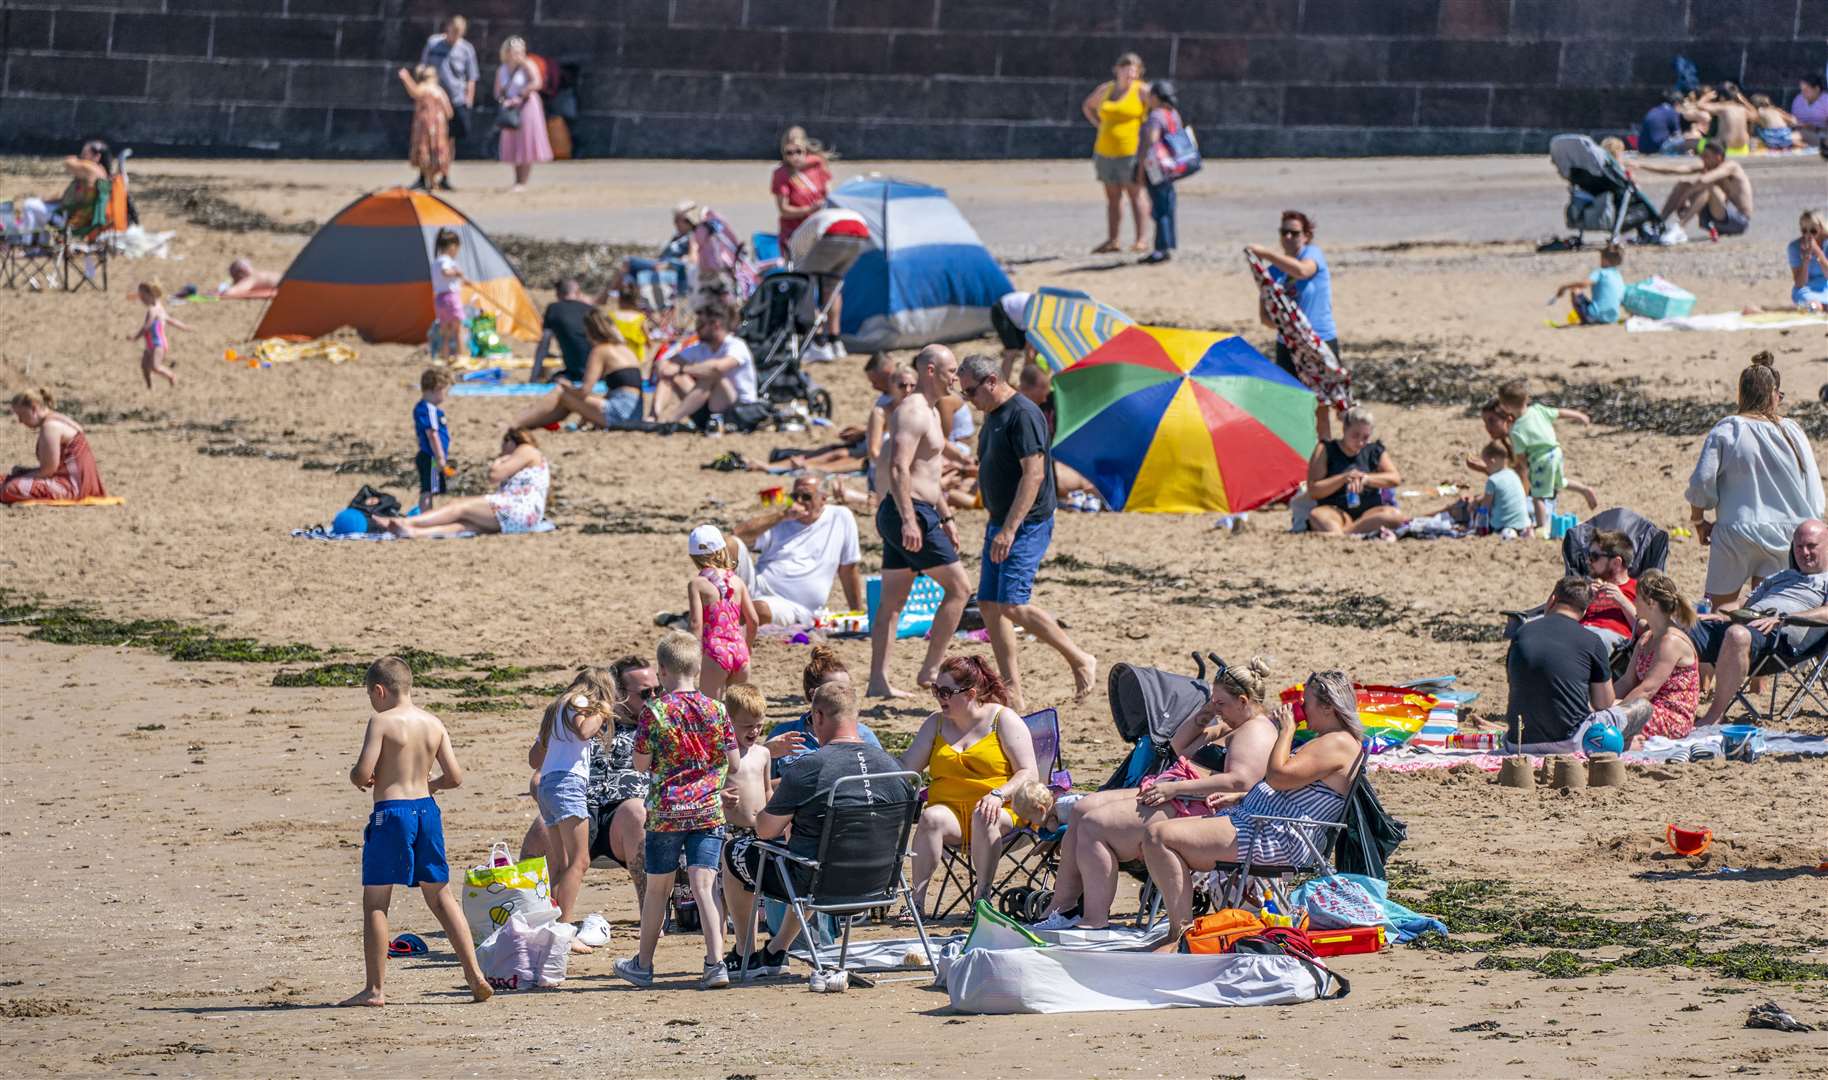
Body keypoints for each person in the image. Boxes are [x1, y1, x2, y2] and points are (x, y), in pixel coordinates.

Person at [1031, 656, 1276, 932]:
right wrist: (1203, 715)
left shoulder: (1255, 732)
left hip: (1203, 806)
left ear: (1243, 701)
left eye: (1221, 704)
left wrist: (1174, 788)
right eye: (1214, 702)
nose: (1217, 710)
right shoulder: (1231, 725)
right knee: (1082, 808)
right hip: (1180, 791)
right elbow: (1178, 747)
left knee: (1094, 825)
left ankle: (1093, 918)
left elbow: (1238, 782)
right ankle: (1061, 908)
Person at [1140, 670, 1363, 943]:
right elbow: (1295, 787)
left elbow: (1278, 776)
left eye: (1307, 703)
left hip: (1276, 838)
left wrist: (1287, 731)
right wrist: (1243, 797)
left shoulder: (1337, 742)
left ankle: (1182, 933)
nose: (1302, 708)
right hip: (1260, 824)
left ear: (1328, 707)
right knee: (1158, 834)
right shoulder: (1331, 740)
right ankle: (1186, 926)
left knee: (1158, 837)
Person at [733, 680, 913, 975]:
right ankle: (776, 949)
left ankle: (744, 952)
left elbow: (765, 830)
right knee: (813, 855)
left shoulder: (809, 768)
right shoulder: (894, 768)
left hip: (818, 885)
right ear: (856, 716)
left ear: (817, 716)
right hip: (880, 885)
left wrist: (748, 804)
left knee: (735, 852)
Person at [341, 657, 491, 1006]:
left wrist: (359, 777)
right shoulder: (433, 723)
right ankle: (475, 975)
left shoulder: (381, 722)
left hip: (391, 813)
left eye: (370, 694)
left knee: (376, 902)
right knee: (442, 896)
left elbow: (363, 772)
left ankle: (375, 989)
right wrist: (431, 784)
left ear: (379, 690)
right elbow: (454, 777)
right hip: (426, 811)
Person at [958, 354, 1097, 707]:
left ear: (992, 380)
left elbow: (1034, 474)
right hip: (999, 521)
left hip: (1025, 523)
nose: (969, 402)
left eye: (971, 392)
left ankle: (1080, 658)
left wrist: (1009, 529)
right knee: (989, 604)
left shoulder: (1023, 414)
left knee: (1013, 605)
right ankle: (1012, 690)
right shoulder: (992, 414)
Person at [615, 632, 741, 990]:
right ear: (698, 668)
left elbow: (640, 765)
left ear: (662, 671)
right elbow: (733, 761)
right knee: (705, 887)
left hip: (666, 811)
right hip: (707, 810)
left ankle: (643, 963)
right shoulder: (716, 710)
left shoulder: (655, 712)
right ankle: (715, 962)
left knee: (658, 889)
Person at [869, 345, 971, 698]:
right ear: (930, 370)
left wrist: (946, 517)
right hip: (906, 511)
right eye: (951, 371)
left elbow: (926, 472)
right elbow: (899, 466)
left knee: (893, 601)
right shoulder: (913, 410)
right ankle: (930, 668)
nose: (955, 378)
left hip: (915, 509)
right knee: (959, 589)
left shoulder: (928, 410)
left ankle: (878, 680)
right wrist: (911, 520)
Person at [518, 655, 654, 919]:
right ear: (618, 693)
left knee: (637, 813)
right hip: (579, 804)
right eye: (646, 693)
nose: (654, 698)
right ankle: (531, 913)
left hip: (624, 817)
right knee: (541, 828)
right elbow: (538, 767)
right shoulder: (580, 718)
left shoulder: (655, 726)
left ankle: (651, 916)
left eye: (657, 690)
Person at [901, 655, 1038, 914]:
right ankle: (915, 903)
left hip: (1001, 811)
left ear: (970, 693)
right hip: (952, 815)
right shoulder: (935, 724)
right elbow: (907, 767)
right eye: (935, 690)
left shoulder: (1002, 720)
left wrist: (998, 794)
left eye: (946, 691)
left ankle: (982, 898)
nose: (939, 697)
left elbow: (1028, 772)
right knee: (930, 817)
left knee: (984, 814)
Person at [1687, 353, 1824, 609]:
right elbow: (1814, 492)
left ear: (1741, 394)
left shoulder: (1728, 429)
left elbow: (1702, 482)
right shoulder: (1792, 431)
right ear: (1773, 395)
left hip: (1736, 530)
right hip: (1784, 532)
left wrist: (1698, 520)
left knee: (1720, 608)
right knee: (1767, 607)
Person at [1691, 520, 1828, 728]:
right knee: (1680, 630)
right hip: (1744, 625)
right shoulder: (1781, 575)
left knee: (1737, 634)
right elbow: (1743, 602)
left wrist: (1784, 619)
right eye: (1799, 547)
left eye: (1811, 546)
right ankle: (1657, 705)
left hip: (1778, 642)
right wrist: (1721, 613)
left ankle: (1714, 716)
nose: (1804, 552)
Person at [527, 668, 614, 954]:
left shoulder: (557, 707)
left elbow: (534, 757)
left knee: (562, 864)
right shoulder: (578, 701)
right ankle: (563, 929)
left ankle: (551, 925)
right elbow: (585, 729)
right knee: (580, 861)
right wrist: (603, 710)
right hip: (567, 784)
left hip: (549, 784)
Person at [1249, 210, 1341, 439]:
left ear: (1306, 236)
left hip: (1319, 339)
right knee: (1290, 406)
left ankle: (1324, 458)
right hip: (1288, 345)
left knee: (1321, 407)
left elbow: (1302, 271)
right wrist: (1289, 326)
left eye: (1294, 233)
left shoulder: (1313, 254)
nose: (1288, 237)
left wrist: (1266, 253)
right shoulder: (1271, 273)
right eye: (1284, 232)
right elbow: (1265, 318)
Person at [729, 475, 864, 626]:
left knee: (757, 610)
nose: (799, 501)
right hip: (757, 584)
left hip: (793, 605)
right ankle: (717, 604)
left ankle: (724, 614)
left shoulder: (840, 517)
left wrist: (857, 614)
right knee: (729, 544)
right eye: (795, 496)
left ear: (823, 499)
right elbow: (738, 534)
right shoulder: (784, 519)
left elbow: (848, 569)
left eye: (806, 496)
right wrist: (781, 515)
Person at [1503, 577, 1615, 751]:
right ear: (1584, 611)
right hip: (1570, 743)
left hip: (1518, 743)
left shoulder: (1522, 632)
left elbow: (1515, 681)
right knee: (1640, 709)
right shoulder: (1592, 640)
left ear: (1552, 599)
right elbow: (1604, 704)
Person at [381, 428, 548, 538]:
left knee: (459, 506)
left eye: (503, 446)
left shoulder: (526, 450)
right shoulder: (528, 461)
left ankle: (408, 522)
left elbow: (494, 476)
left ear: (510, 441)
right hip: (522, 519)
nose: (502, 451)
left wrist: (499, 460)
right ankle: (414, 532)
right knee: (467, 525)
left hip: (518, 511)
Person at [715, 684, 775, 975]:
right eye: (747, 726)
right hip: (731, 831)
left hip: (758, 830)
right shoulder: (721, 753)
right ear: (729, 723)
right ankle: (743, 947)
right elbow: (709, 788)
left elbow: (767, 791)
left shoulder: (763, 753)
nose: (754, 731)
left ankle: (746, 950)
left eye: (759, 725)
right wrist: (719, 798)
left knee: (756, 895)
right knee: (734, 897)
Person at [763, 647, 884, 779]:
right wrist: (765, 753)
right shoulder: (783, 735)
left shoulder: (863, 734)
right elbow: (762, 788)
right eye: (835, 691)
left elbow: (882, 779)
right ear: (813, 694)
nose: (844, 697)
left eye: (847, 690)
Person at [514, 307, 643, 430]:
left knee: (562, 393)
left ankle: (521, 422)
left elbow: (584, 391)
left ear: (589, 331)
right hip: (635, 412)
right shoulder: (625, 350)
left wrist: (566, 385)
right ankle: (527, 421)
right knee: (572, 397)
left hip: (619, 414)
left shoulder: (600, 350)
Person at [1499, 379, 1599, 533]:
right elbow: (1560, 412)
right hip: (1556, 452)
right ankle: (1585, 490)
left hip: (1540, 460)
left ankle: (1541, 526)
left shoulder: (1516, 429)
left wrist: (1526, 470)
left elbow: (1520, 456)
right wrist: (1579, 415)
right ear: (1526, 398)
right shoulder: (1538, 410)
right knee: (1558, 483)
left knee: (1537, 496)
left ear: (1505, 407)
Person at [1612, 569, 1699, 743]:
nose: (1634, 602)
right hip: (1647, 707)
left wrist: (1612, 712)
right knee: (1594, 715)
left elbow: (1647, 690)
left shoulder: (1671, 641)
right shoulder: (1646, 638)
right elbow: (1627, 681)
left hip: (1672, 717)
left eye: (1637, 598)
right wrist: (1603, 702)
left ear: (1651, 602)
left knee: (1602, 725)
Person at [1082, 52, 1150, 254]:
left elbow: (1158, 110)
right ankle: (1113, 240)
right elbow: (1088, 105)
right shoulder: (1106, 89)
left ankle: (1141, 240)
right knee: (1112, 197)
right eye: (1126, 69)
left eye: (1134, 70)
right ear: (1117, 70)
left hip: (1131, 152)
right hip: (1105, 151)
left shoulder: (1142, 91)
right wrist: (1098, 124)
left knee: (1135, 194)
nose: (1130, 74)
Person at [650, 300, 758, 427]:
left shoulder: (736, 345)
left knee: (712, 375)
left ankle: (672, 419)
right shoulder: (701, 347)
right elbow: (664, 364)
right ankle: (652, 417)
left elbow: (718, 367)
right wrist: (667, 368)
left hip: (738, 411)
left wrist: (681, 369)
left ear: (716, 325)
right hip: (707, 406)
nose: (696, 329)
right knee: (673, 376)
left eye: (700, 324)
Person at [1304, 407, 1407, 537]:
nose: (1360, 442)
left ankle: (1345, 533)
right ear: (1344, 429)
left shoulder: (1373, 451)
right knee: (1317, 515)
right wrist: (1343, 478)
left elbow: (1395, 478)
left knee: (1395, 516)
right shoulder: (1325, 449)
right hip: (1335, 511)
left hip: (1369, 514)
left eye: (1365, 437)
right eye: (1355, 435)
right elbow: (1314, 490)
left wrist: (1366, 479)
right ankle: (1352, 532)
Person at [684, 524, 757, 701]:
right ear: (722, 550)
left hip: (715, 651)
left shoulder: (697, 584)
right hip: (739, 649)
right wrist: (747, 646)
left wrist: (693, 657)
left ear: (694, 557)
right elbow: (753, 619)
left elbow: (696, 624)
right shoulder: (737, 581)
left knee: (711, 710)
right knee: (738, 710)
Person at [3, 388, 106, 505]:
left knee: (9, 488)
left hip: (73, 488)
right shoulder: (57, 419)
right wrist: (25, 472)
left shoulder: (51, 427)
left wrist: (21, 477)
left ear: (34, 408)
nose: (20, 421)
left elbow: (48, 470)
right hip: (78, 482)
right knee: (5, 479)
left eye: (21, 415)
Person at [1640, 142, 1754, 242]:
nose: (1702, 159)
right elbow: (1676, 170)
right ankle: (1658, 225)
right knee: (1683, 184)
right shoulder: (1709, 166)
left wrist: (1684, 199)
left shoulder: (1731, 167)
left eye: (1706, 156)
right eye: (1702, 156)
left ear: (1718, 158)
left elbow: (1705, 180)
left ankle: (1680, 228)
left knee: (1708, 186)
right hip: (1717, 219)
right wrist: (1641, 165)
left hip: (1739, 222)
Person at [419, 14, 478, 178]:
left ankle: (445, 174)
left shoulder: (466, 49)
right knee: (429, 135)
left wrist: (469, 101)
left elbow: (472, 77)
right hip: (434, 100)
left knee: (450, 139)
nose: (454, 36)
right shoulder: (434, 43)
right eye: (453, 31)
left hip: (456, 99)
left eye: (458, 33)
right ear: (447, 29)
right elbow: (422, 66)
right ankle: (424, 175)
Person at [494, 36, 552, 192]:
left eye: (520, 51)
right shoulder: (503, 69)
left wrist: (521, 95)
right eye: (514, 52)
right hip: (511, 108)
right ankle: (517, 180)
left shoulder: (528, 65)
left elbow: (537, 82)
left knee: (526, 143)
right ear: (507, 52)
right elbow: (498, 90)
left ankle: (523, 182)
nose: (518, 55)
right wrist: (504, 100)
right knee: (514, 143)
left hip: (527, 106)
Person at [1134, 80, 1183, 265]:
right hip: (1171, 166)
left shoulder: (1156, 116)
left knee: (1159, 208)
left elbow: (1151, 141)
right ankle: (1168, 245)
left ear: (1155, 97)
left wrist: (1141, 166)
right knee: (1168, 205)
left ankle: (1160, 250)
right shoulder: (1173, 114)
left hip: (1156, 167)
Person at [771, 126, 832, 247]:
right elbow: (784, 210)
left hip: (819, 229)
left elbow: (829, 193)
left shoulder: (817, 164)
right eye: (789, 152)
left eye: (798, 151)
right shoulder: (781, 174)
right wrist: (809, 210)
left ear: (805, 149)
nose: (794, 156)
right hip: (794, 233)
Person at [1579, 529, 1639, 652]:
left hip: (1606, 636)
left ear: (1616, 563)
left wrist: (1622, 600)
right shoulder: (1587, 586)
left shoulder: (1638, 588)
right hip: (1580, 631)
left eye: (1594, 557)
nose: (1588, 561)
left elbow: (1646, 629)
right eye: (1589, 556)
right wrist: (1583, 600)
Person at [398, 66, 453, 192]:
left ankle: (428, 181)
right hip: (438, 128)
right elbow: (449, 112)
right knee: (435, 152)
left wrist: (406, 78)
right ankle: (433, 181)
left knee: (425, 152)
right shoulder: (439, 91)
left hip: (424, 128)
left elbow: (414, 92)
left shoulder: (424, 89)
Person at [530, 278, 594, 384]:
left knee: (556, 378)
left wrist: (533, 377)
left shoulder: (554, 309)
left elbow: (544, 344)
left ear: (558, 294)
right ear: (578, 293)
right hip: (601, 372)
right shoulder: (590, 310)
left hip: (577, 373)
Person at [129, 282, 185, 389]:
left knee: (155, 366)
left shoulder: (153, 310)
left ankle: (171, 376)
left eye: (143, 297)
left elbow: (146, 326)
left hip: (157, 343)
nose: (142, 300)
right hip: (150, 344)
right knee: (144, 366)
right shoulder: (158, 307)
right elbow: (170, 320)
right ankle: (150, 387)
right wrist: (184, 327)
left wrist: (135, 337)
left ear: (150, 295)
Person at [1553, 243, 1625, 325]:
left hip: (1595, 316)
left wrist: (1564, 287)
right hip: (1613, 318)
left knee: (1575, 290)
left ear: (1604, 259)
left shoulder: (1601, 272)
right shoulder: (1618, 275)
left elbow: (1584, 284)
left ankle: (1584, 319)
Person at [413, 368, 453, 513]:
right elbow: (432, 434)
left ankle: (427, 515)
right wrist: (440, 457)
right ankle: (426, 516)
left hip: (430, 456)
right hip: (431, 456)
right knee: (428, 490)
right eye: (444, 391)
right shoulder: (428, 409)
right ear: (437, 389)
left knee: (430, 489)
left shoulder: (424, 408)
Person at [1478, 441, 1531, 537]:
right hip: (1523, 523)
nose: (1486, 467)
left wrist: (1478, 525)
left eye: (1486, 464)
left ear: (1492, 461)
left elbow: (1485, 508)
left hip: (1502, 525)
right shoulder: (1513, 474)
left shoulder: (1492, 480)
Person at [431, 230, 468, 362]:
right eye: (457, 248)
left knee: (445, 332)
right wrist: (457, 272)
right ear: (452, 246)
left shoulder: (435, 262)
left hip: (439, 299)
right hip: (451, 298)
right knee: (458, 329)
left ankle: (445, 356)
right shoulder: (445, 260)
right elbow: (445, 271)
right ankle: (462, 356)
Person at [1788, 210, 1828, 311]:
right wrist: (1805, 260)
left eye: (1813, 231)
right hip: (1806, 289)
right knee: (1814, 307)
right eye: (1804, 231)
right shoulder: (1794, 247)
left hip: (1825, 287)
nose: (1808, 235)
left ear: (1822, 229)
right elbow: (1800, 283)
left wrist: (1818, 252)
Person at [991, 292, 1033, 379]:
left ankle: (1025, 382)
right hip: (1001, 310)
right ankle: (1003, 384)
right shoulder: (1036, 315)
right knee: (1012, 351)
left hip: (1016, 315)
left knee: (1023, 349)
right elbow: (1030, 350)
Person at [1639, 90, 1689, 155]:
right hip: (1657, 148)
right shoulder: (1672, 112)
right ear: (1677, 103)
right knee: (1686, 140)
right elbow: (1678, 135)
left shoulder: (1654, 110)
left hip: (1642, 147)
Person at [1792, 75, 1828, 147]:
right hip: (1800, 133)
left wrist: (1815, 128)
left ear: (1817, 89)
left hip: (1822, 134)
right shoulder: (1798, 99)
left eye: (1806, 90)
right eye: (1801, 90)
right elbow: (1793, 119)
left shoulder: (1826, 100)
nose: (1803, 93)